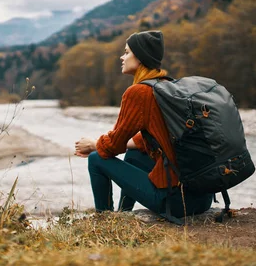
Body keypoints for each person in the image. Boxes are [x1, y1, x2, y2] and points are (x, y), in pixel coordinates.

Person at [74, 30, 213, 218]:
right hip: (202, 198)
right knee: (133, 154)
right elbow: (155, 136)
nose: (122, 57)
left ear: (139, 57)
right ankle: (123, 215)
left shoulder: (138, 92)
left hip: (175, 203)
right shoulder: (166, 86)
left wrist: (94, 145)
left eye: (127, 52)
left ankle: (104, 220)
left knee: (96, 159)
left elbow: (113, 146)